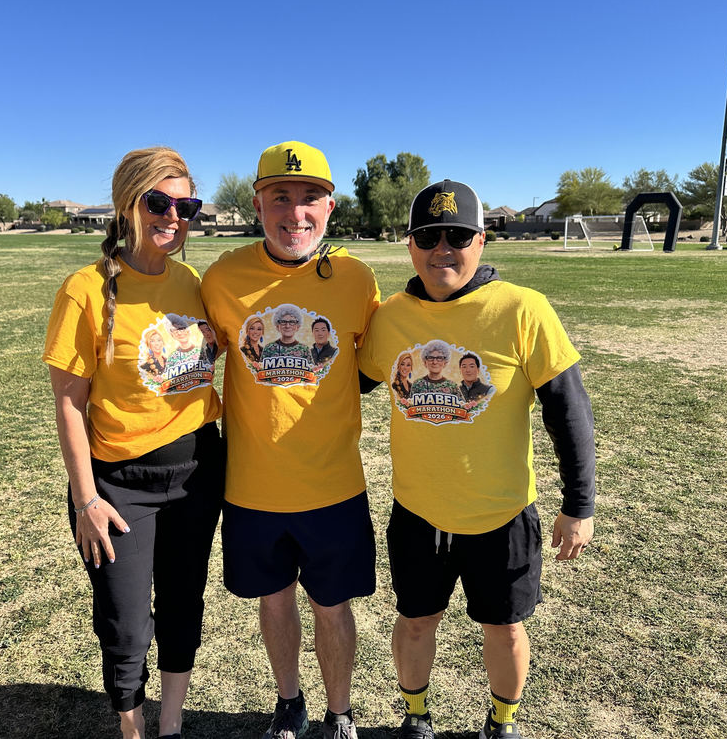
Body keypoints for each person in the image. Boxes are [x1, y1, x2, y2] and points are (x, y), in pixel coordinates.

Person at [358, 179, 596, 739]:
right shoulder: (391, 317)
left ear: (481, 242)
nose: (444, 248)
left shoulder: (522, 309)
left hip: (503, 511)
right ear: (410, 245)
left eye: (458, 236)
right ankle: (416, 716)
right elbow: (342, 385)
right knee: (415, 622)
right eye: (429, 236)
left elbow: (570, 410)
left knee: (506, 628)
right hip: (418, 510)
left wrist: (579, 504)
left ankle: (502, 722)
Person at [44, 147, 225, 739]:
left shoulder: (194, 283)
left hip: (198, 472)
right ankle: (133, 728)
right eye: (159, 202)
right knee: (125, 623)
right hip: (119, 486)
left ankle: (169, 724)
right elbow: (70, 403)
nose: (174, 216)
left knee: (182, 606)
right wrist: (86, 500)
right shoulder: (85, 289)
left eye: (187, 206)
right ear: (128, 204)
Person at [201, 141, 380, 739]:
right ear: (257, 204)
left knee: (333, 606)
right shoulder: (223, 277)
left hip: (334, 484)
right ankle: (289, 703)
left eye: (310, 198)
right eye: (281, 197)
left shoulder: (356, 277)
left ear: (331, 207)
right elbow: (191, 362)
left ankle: (340, 713)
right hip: (251, 486)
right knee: (273, 602)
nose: (295, 213)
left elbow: (381, 361)